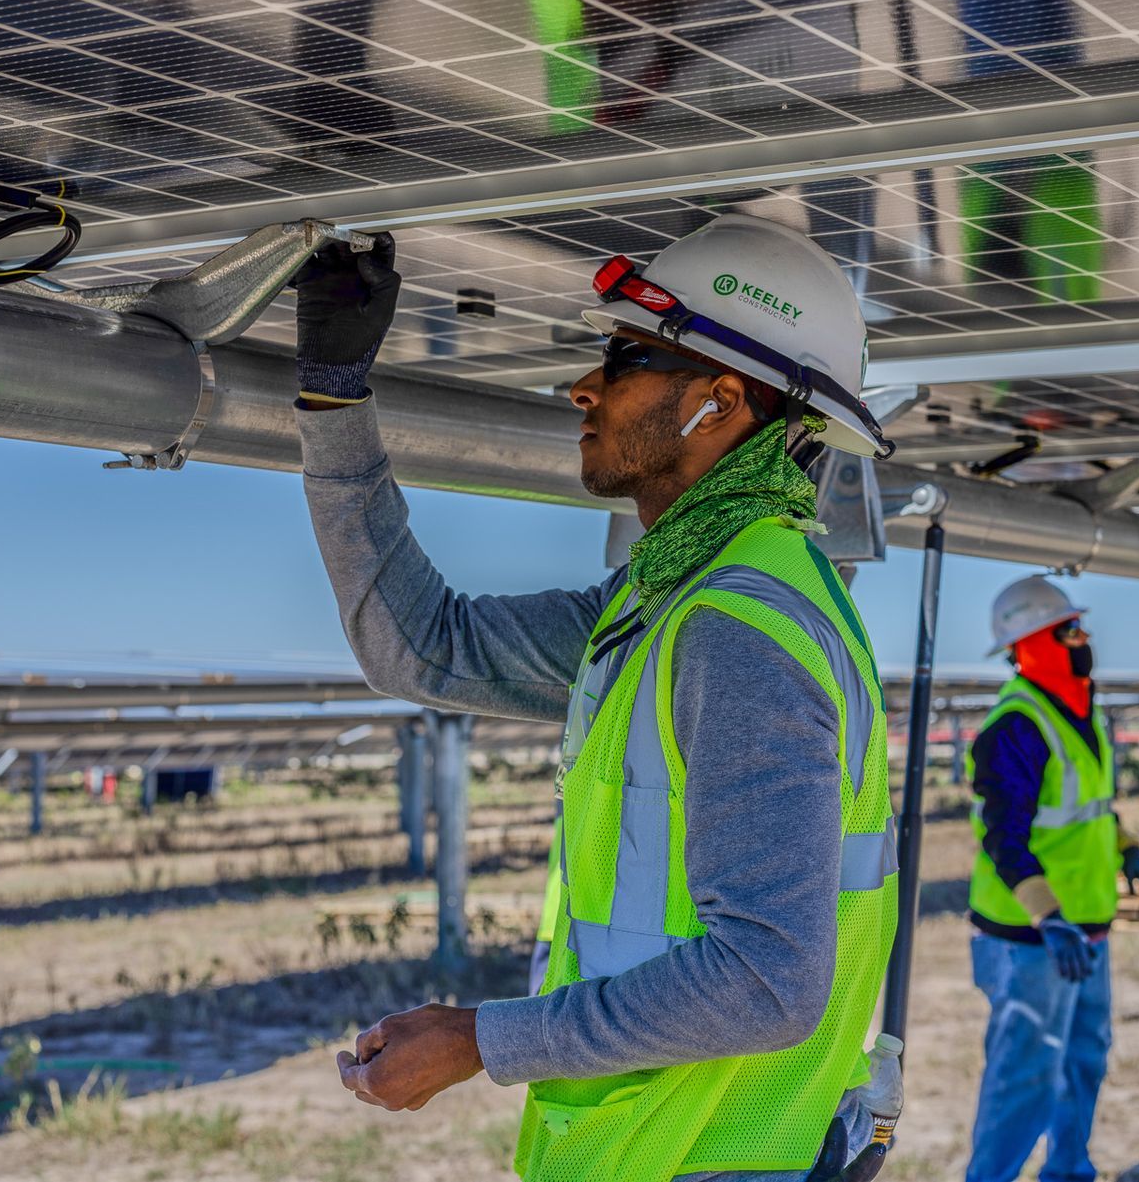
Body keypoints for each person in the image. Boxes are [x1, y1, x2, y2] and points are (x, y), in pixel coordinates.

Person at [292, 215, 902, 1181]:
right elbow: (423, 647)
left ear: (722, 399)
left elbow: (766, 979)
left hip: (699, 1156)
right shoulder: (667, 603)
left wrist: (480, 1039)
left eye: (624, 358)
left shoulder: (734, 630)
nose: (583, 386)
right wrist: (334, 404)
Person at [964, 576, 1139, 1182]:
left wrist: (1128, 851)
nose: (1084, 638)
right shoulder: (1014, 727)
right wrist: (1050, 918)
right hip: (1031, 939)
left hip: (1085, 928)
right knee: (1025, 1079)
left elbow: (1091, 805)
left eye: (1079, 627)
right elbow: (1004, 838)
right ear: (1031, 645)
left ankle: (1069, 1172)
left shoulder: (1080, 709)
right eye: (1068, 630)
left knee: (1082, 1062)